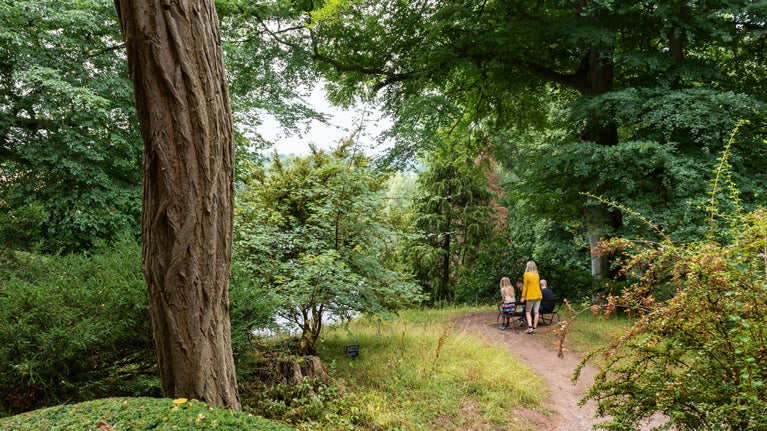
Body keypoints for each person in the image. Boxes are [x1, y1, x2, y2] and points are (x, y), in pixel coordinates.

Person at [520, 260, 542, 334]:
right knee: (536, 311)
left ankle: (530, 328)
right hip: (538, 295)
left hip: (531, 296)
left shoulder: (526, 275)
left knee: (528, 312)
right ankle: (535, 328)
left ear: (527, 266)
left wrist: (523, 296)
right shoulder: (537, 274)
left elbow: (525, 287)